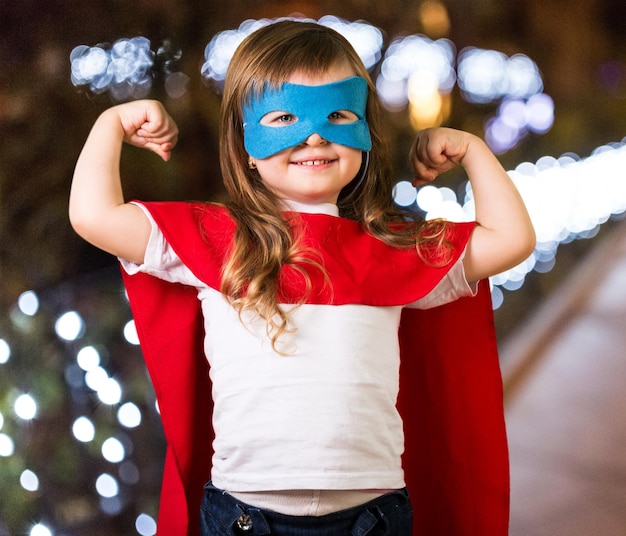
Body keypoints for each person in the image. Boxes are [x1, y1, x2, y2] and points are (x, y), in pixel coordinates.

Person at [69, 20, 535, 536]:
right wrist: (111, 124)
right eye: (285, 116)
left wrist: (473, 151)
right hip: (245, 515)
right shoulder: (217, 239)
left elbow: (511, 239)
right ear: (246, 143)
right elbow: (94, 216)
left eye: (337, 114)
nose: (314, 134)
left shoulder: (392, 248)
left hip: (372, 517)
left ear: (364, 130)